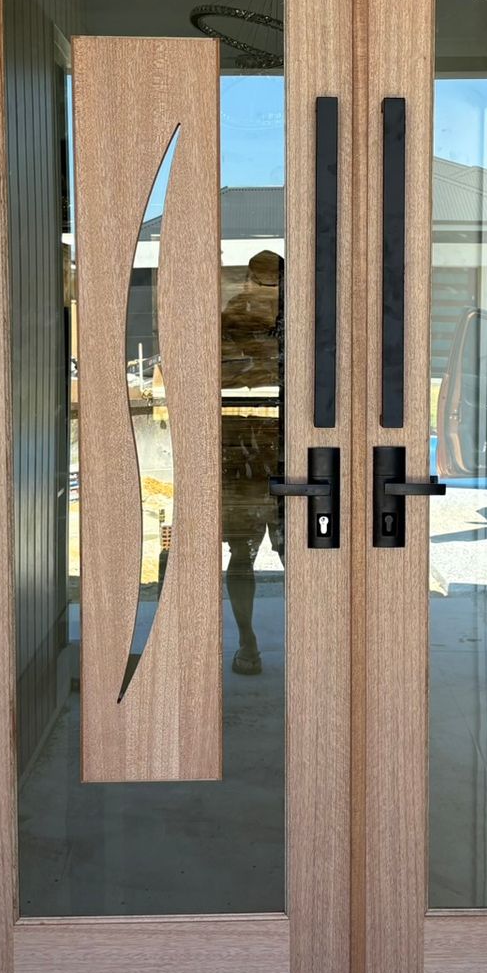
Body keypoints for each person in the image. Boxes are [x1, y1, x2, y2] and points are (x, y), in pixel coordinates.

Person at [219, 250, 284, 675]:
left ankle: (250, 642)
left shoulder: (295, 314)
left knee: (295, 548)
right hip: (247, 440)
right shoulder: (237, 314)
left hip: (276, 440)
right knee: (245, 549)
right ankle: (247, 639)